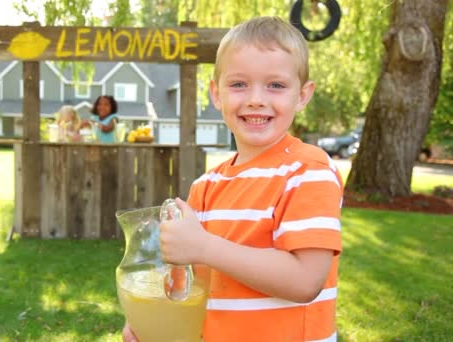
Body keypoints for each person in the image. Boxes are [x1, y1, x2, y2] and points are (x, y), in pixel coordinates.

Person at [123, 16, 343, 341]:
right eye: (239, 84)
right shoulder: (206, 187)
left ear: (302, 95)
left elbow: (305, 281)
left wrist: (204, 246)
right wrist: (156, 318)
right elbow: (192, 283)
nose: (255, 98)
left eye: (276, 85)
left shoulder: (307, 171)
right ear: (216, 94)